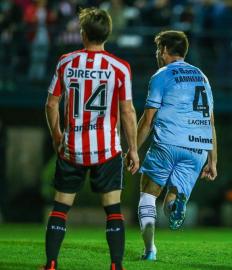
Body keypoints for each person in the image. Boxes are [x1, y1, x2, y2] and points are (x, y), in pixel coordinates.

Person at [43, 7, 139, 270]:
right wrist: (133, 150)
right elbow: (127, 111)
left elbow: (52, 104)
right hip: (107, 148)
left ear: (83, 34)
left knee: (61, 207)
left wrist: (56, 135)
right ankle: (116, 266)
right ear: (107, 33)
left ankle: (51, 263)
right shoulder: (120, 67)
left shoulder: (66, 62)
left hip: (71, 147)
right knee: (113, 209)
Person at [136, 30, 217, 261]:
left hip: (169, 143)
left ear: (163, 51)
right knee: (170, 199)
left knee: (148, 196)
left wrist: (131, 149)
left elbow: (148, 121)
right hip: (198, 148)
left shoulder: (162, 75)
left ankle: (150, 250)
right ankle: (175, 207)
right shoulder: (202, 76)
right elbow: (210, 122)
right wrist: (213, 160)